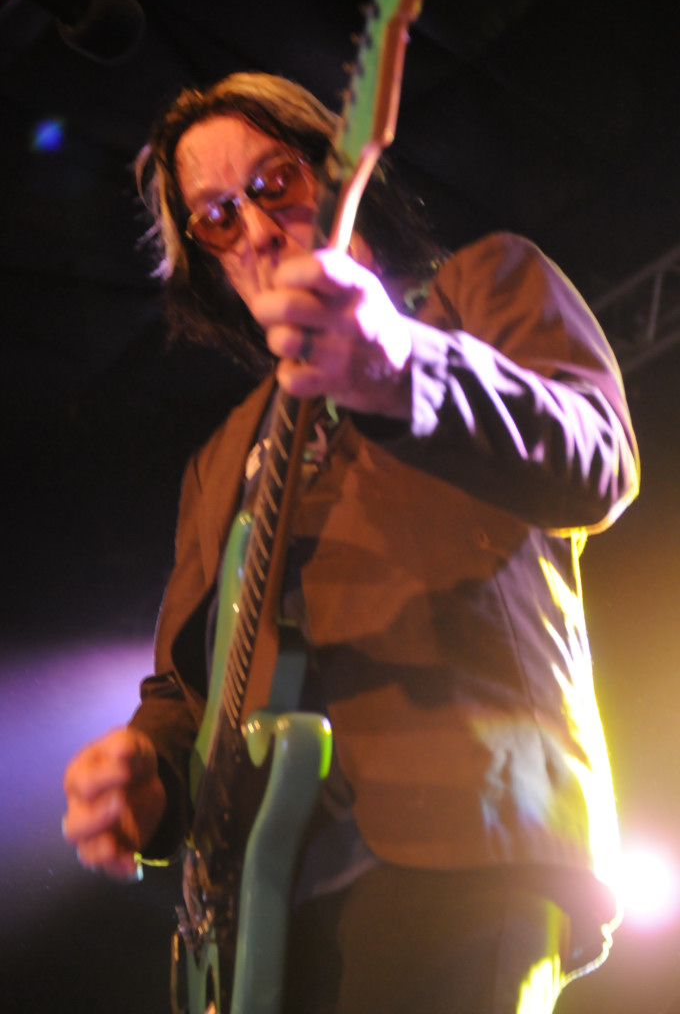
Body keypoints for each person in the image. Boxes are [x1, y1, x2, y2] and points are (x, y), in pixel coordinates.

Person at [62, 72, 640, 1014]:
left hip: (467, 839)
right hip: (261, 908)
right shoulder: (220, 459)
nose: (255, 228)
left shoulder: (481, 285)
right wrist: (147, 775)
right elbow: (184, 688)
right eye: (216, 217)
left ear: (337, 173)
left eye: (274, 183)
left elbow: (600, 460)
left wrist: (397, 364)